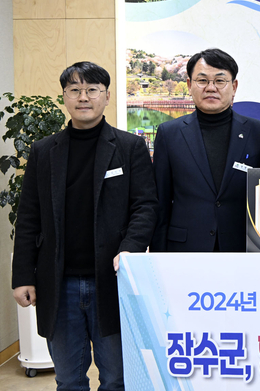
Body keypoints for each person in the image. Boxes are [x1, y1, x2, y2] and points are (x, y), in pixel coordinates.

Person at [11, 62, 157, 390]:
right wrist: (22, 276)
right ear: (64, 96)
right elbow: (29, 216)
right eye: (75, 90)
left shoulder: (129, 147)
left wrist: (130, 248)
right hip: (58, 284)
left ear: (107, 96)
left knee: (117, 379)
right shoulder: (44, 151)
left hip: (112, 280)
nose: (83, 97)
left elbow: (145, 206)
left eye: (92, 89)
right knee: (68, 381)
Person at [151, 48, 260, 252]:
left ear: (234, 86)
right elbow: (160, 203)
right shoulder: (169, 133)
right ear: (189, 85)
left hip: (242, 249)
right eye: (202, 80)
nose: (211, 88)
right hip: (185, 249)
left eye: (219, 81)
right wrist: (157, 258)